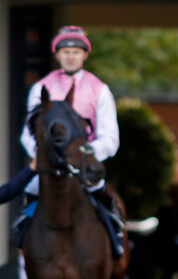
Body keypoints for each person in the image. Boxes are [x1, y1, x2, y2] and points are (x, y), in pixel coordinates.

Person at [20, 26, 120, 195]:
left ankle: (113, 221)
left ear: (85, 55)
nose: (71, 57)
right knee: (30, 197)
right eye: (66, 52)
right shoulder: (40, 88)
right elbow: (28, 134)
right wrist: (45, 154)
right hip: (50, 168)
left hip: (84, 168)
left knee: (107, 206)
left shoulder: (101, 90)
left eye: (76, 52)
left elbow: (110, 139)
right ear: (57, 55)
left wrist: (82, 153)